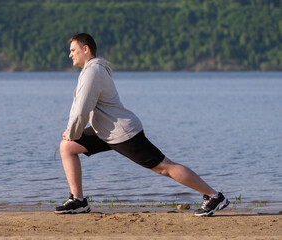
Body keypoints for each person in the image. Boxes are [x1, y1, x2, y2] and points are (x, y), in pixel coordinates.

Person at [55, 33, 230, 217]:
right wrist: (72, 132)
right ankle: (79, 201)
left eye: (73, 50)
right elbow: (80, 107)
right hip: (105, 131)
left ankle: (214, 196)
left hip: (123, 133)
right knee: (67, 147)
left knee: (164, 168)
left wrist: (74, 132)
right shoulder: (90, 71)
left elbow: (82, 109)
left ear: (86, 49)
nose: (70, 54)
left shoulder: (93, 72)